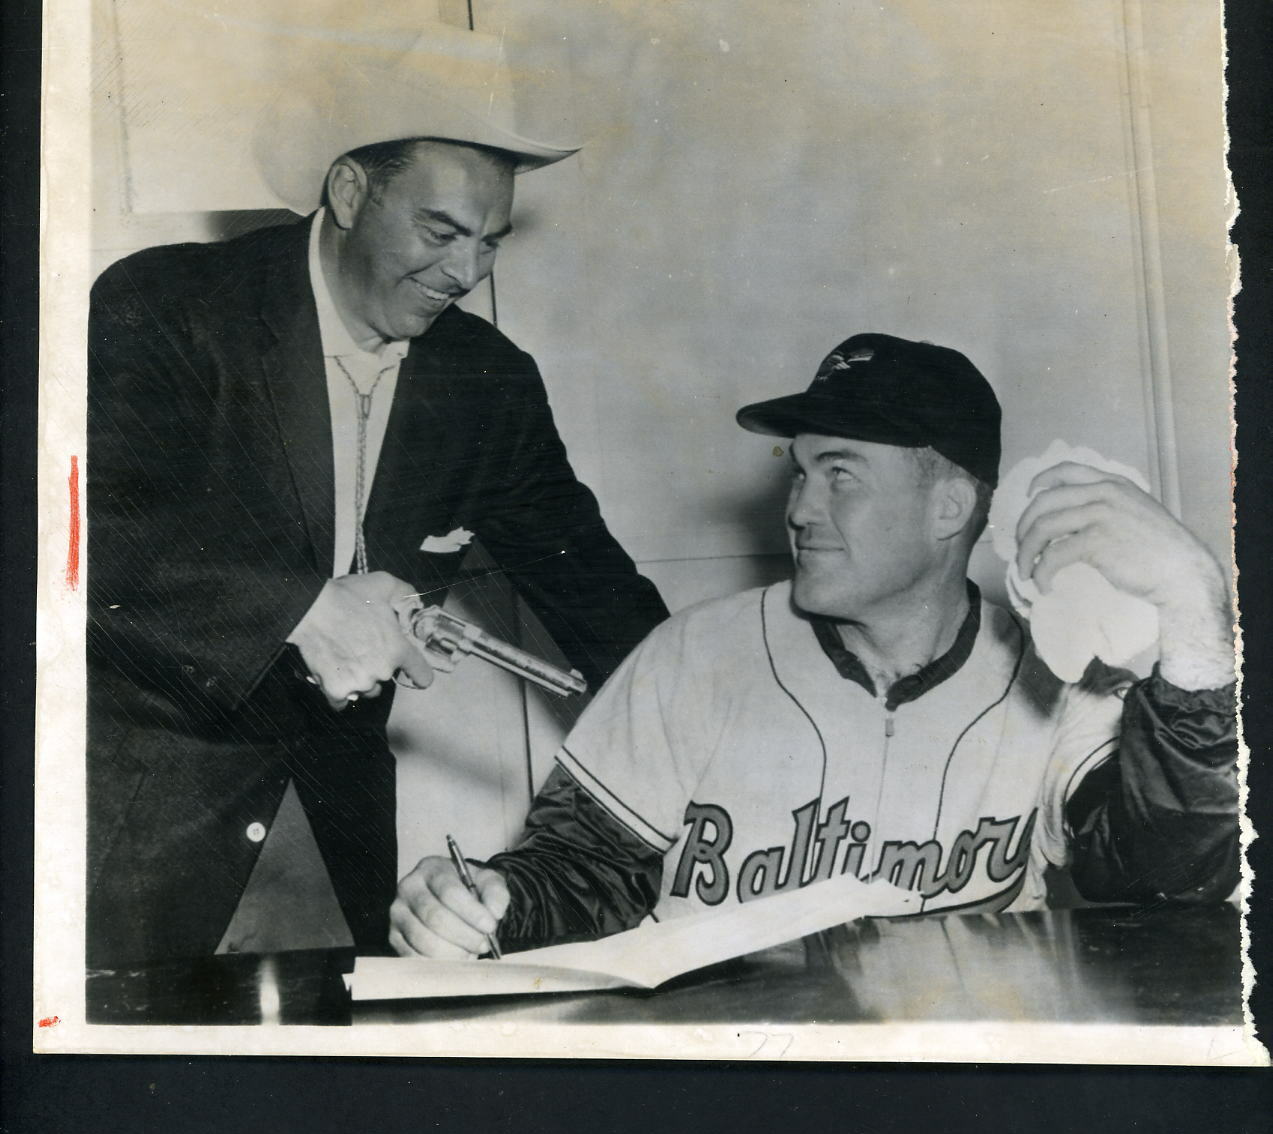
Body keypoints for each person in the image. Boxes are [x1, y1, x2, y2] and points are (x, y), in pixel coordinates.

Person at [87, 25, 668, 968]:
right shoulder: (167, 306)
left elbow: (588, 581)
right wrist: (300, 608)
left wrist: (715, 699)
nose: (465, 273)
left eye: (488, 241)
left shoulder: (488, 379)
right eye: (439, 232)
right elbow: (72, 541)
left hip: (341, 833)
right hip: (138, 833)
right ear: (351, 192)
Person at [390, 333, 1238, 958]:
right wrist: (484, 900)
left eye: (839, 474)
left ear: (948, 507)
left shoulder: (1058, 681)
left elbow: (1168, 878)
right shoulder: (693, 654)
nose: (798, 508)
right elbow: (581, 870)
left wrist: (1196, 621)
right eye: (798, 470)